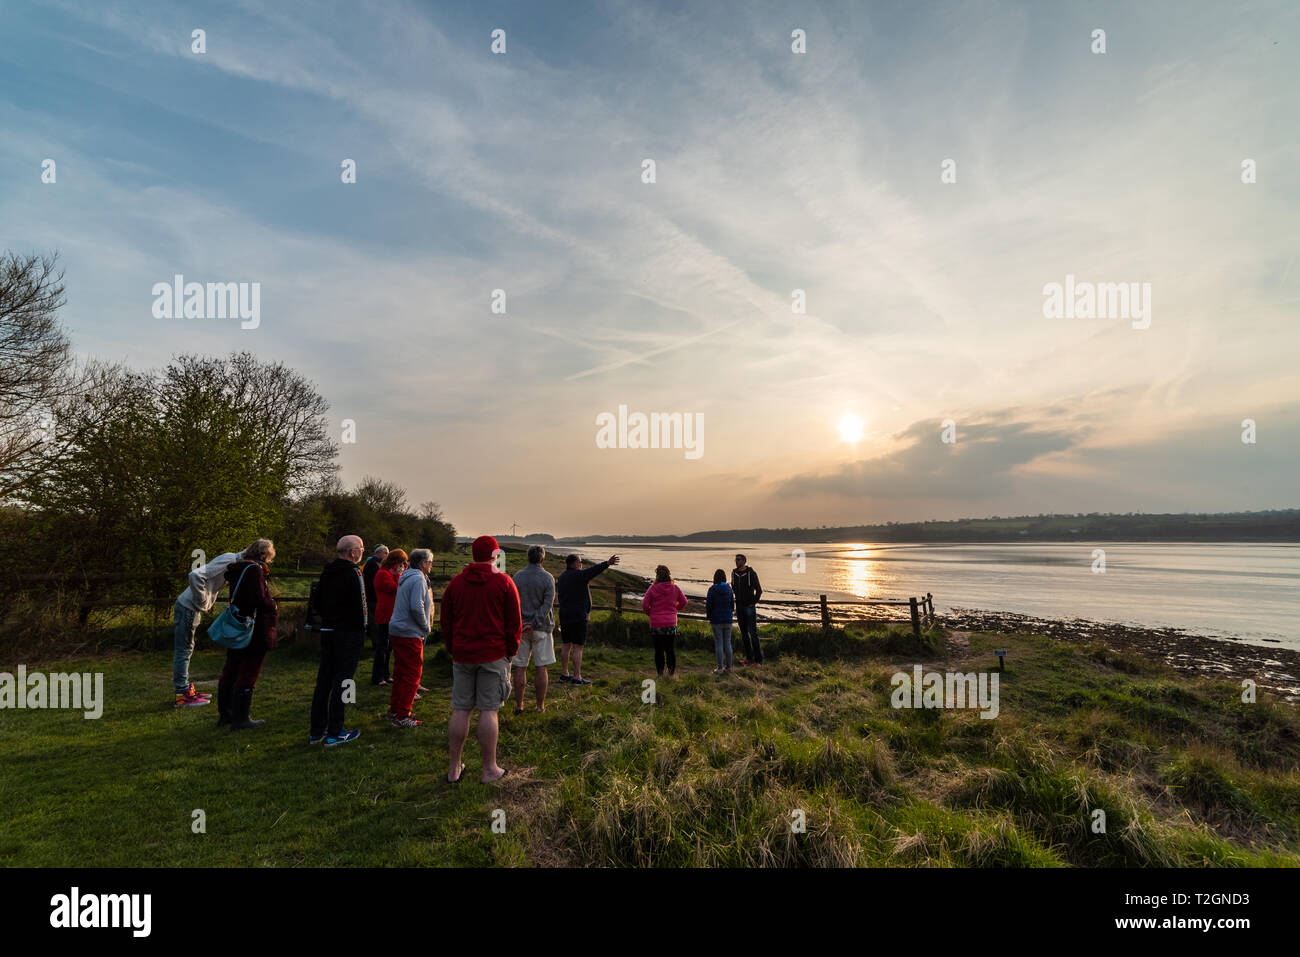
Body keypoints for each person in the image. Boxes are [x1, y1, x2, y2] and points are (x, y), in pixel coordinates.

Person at [440, 536, 521, 784]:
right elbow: (514, 622)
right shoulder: (504, 582)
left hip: (463, 653)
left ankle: (454, 769)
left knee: (461, 709)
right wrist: (511, 650)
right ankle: (489, 769)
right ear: (495, 554)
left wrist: (453, 647)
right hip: (493, 654)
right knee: (489, 710)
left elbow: (446, 621)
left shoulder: (455, 584)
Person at [309, 534, 367, 746]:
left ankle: (316, 731)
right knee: (345, 681)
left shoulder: (328, 571)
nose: (362, 552)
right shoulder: (354, 573)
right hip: (349, 632)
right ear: (352, 552)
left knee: (324, 680)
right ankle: (336, 731)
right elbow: (362, 606)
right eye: (361, 548)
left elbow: (316, 601)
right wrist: (364, 628)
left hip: (327, 629)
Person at [215, 539, 278, 731]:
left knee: (231, 668)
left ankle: (226, 713)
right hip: (254, 627)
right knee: (249, 670)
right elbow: (258, 598)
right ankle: (241, 718)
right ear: (265, 554)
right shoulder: (254, 570)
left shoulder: (239, 568)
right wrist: (272, 605)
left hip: (238, 623)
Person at [171, 547, 244, 707]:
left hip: (188, 607)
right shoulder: (230, 560)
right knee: (184, 650)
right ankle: (182, 695)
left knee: (186, 649)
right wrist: (203, 601)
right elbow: (195, 575)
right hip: (189, 607)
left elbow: (209, 582)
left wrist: (208, 600)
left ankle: (185, 691)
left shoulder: (231, 559)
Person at [555, 552, 620, 685]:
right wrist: (607, 563)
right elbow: (593, 571)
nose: (582, 564)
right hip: (578, 616)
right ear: (575, 563)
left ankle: (564, 674)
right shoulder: (579, 575)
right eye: (580, 561)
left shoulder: (561, 577)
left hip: (564, 615)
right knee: (578, 647)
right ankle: (577, 677)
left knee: (566, 644)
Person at [388, 549, 433, 728]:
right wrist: (425, 626)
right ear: (422, 563)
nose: (431, 565)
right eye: (430, 562)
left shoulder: (407, 577)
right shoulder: (419, 579)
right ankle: (402, 715)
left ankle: (395, 709)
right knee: (412, 674)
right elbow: (416, 607)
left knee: (400, 672)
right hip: (409, 632)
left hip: (398, 629)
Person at [511, 545, 556, 713]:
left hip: (521, 628)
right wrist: (535, 621)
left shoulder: (517, 577)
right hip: (541, 628)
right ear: (542, 559)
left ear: (528, 558)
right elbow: (547, 604)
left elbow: (513, 601)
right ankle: (539, 706)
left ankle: (519, 705)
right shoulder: (548, 578)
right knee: (541, 667)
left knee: (520, 667)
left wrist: (523, 621)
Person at [641, 565, 687, 678]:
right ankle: (671, 674)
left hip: (656, 624)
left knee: (659, 650)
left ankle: (660, 674)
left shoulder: (652, 589)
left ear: (657, 576)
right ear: (669, 575)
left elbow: (645, 604)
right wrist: (675, 609)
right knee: (670, 649)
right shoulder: (675, 588)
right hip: (671, 623)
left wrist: (650, 613)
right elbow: (684, 601)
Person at [371, 549, 407, 686]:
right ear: (395, 562)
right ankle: (377, 676)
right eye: (401, 563)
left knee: (389, 647)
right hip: (385, 614)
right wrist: (399, 575)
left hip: (392, 614)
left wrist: (398, 574)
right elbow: (397, 588)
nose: (402, 566)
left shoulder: (389, 574)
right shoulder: (383, 575)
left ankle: (385, 674)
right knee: (382, 646)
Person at [732, 553, 764, 666]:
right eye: (736, 559)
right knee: (744, 634)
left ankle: (758, 660)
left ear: (744, 561)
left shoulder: (751, 573)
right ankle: (749, 658)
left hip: (749, 607)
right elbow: (734, 588)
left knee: (753, 634)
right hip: (739, 607)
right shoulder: (734, 573)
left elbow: (759, 590)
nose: (737, 561)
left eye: (739, 559)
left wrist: (752, 602)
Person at [705, 568, 735, 675]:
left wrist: (709, 616)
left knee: (719, 644)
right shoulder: (729, 589)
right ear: (724, 578)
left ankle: (720, 668)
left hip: (716, 620)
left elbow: (708, 605)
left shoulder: (712, 589)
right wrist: (729, 613)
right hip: (728, 619)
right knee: (727, 643)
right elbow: (732, 604)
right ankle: (729, 667)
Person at [362, 544, 389, 646]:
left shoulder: (379, 564)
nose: (387, 554)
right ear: (378, 553)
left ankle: (381, 642)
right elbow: (371, 583)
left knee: (380, 621)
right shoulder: (371, 564)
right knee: (374, 621)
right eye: (385, 552)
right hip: (373, 598)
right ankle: (376, 644)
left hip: (379, 598)